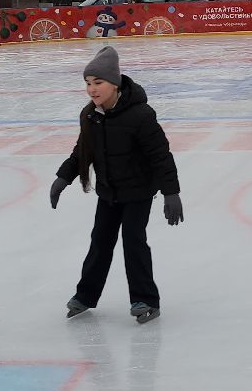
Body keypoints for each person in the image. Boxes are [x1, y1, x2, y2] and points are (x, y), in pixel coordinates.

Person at [49, 46, 183, 323]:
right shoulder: (91, 115)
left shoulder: (141, 115)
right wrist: (63, 178)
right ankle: (85, 296)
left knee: (134, 242)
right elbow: (82, 152)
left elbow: (160, 155)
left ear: (114, 83)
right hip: (109, 191)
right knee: (100, 242)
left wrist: (171, 193)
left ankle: (146, 300)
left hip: (138, 191)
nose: (92, 89)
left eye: (98, 82)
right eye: (88, 83)